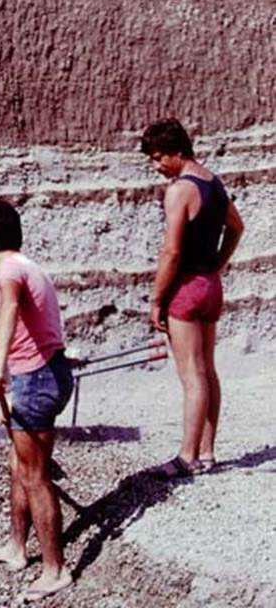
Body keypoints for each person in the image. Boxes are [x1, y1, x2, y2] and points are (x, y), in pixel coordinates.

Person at [0, 199, 74, 601]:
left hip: (37, 380)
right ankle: (17, 548)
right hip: (47, 374)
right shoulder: (32, 266)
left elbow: (10, 312)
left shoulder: (8, 271)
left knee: (34, 475)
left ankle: (55, 569)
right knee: (18, 464)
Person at [141, 118, 245, 477]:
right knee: (209, 371)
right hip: (211, 284)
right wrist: (218, 262)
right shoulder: (213, 183)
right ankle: (208, 452)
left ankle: (187, 457)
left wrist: (156, 300)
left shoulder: (179, 190)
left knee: (191, 375)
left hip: (186, 287)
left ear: (176, 151)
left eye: (158, 158)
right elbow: (237, 226)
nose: (156, 167)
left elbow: (171, 252)